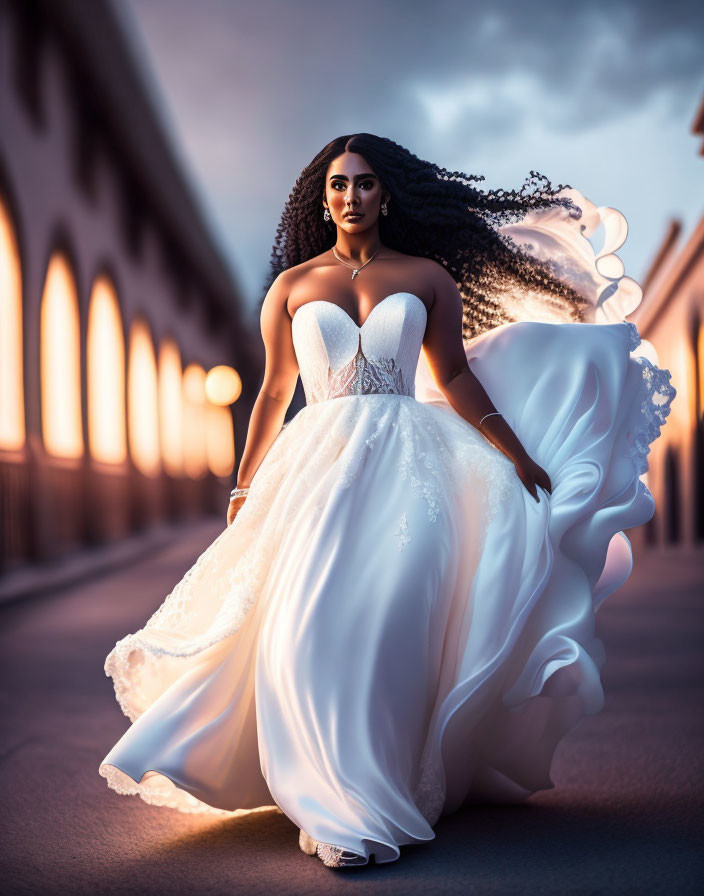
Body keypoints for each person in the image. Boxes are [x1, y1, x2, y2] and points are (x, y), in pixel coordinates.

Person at [98, 133, 676, 869]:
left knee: (389, 621)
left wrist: (518, 455)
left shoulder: (427, 277)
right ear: (324, 199)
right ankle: (326, 792)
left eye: (364, 184)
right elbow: (275, 392)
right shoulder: (293, 287)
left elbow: (457, 379)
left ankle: (371, 784)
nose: (350, 197)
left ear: (386, 194)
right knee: (305, 619)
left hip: (411, 466)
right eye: (337, 186)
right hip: (317, 467)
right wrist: (245, 483)